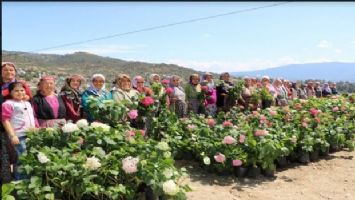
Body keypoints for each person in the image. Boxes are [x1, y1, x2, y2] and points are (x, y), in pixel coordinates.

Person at [2, 82, 36, 180]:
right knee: (21, 160)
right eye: (16, 91)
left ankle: (28, 181)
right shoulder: (8, 104)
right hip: (19, 136)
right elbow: (5, 120)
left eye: (22, 90)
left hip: (30, 135)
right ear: (10, 92)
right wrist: (12, 135)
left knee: (29, 159)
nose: (19, 92)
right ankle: (20, 182)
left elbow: (31, 118)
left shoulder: (27, 103)